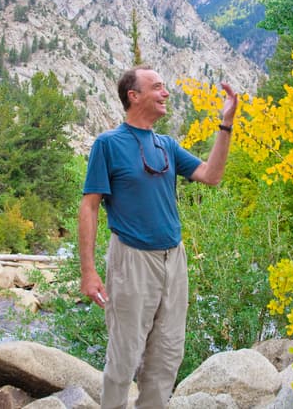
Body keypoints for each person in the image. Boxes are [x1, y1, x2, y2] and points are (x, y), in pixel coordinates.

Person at [78, 65, 238, 409]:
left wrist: (225, 124)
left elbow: (211, 175)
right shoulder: (108, 144)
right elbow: (89, 207)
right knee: (124, 357)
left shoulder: (166, 145)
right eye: (157, 87)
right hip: (131, 258)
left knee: (167, 356)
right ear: (133, 96)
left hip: (174, 259)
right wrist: (88, 271)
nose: (166, 93)